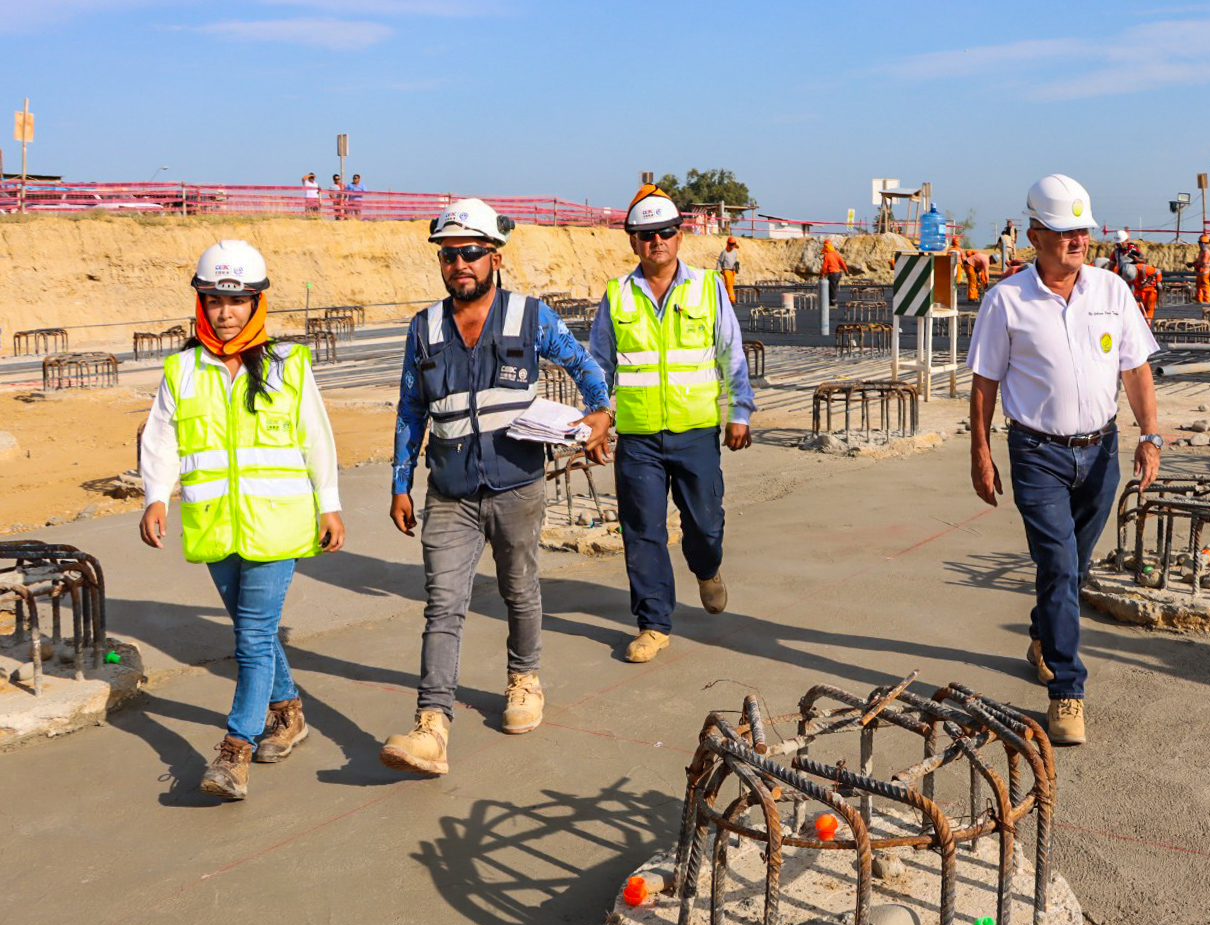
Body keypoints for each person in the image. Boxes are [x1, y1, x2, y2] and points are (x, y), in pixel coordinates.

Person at [382, 198, 613, 776]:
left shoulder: (529, 317)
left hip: (516, 485)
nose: (459, 264)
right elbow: (411, 410)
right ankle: (431, 725)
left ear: (494, 257)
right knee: (443, 606)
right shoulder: (424, 328)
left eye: (471, 254)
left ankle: (523, 679)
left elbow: (587, 368)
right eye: (449, 255)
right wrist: (400, 483)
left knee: (519, 588)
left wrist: (600, 415)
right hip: (450, 492)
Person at [138, 240, 345, 800]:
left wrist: (329, 503)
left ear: (258, 303)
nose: (225, 312)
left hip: (278, 524)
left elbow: (316, 437)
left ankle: (235, 749)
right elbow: (161, 436)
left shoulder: (288, 365)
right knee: (253, 632)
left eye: (237, 301)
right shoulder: (183, 368)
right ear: (200, 301)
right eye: (213, 300)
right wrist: (156, 495)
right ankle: (288, 711)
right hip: (214, 524)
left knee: (252, 636)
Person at [967, 174, 1162, 747]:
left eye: (1082, 231)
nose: (1076, 241)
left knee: (1072, 569)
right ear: (1034, 235)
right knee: (1057, 565)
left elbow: (1135, 369)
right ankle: (1067, 690)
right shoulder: (1006, 300)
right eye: (1062, 232)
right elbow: (984, 383)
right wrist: (979, 451)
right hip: (1037, 455)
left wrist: (1149, 436)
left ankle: (1043, 634)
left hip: (1099, 453)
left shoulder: (1112, 291)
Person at [587, 185, 757, 664]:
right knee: (642, 530)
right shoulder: (617, 295)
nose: (655, 241)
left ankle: (707, 569)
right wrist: (598, 416)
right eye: (645, 234)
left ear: (679, 237)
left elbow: (732, 353)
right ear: (632, 241)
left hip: (696, 431)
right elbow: (599, 363)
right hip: (639, 436)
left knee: (705, 525)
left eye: (664, 232)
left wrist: (739, 411)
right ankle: (653, 624)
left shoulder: (706, 287)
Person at [1123, 255, 1162, 321]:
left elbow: (1158, 271)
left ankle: (1147, 323)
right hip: (1139, 291)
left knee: (1149, 307)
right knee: (1136, 308)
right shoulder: (1127, 273)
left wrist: (1158, 282)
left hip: (1150, 290)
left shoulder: (1145, 269)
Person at [821, 238, 848, 307]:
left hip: (832, 274)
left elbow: (825, 267)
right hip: (838, 274)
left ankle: (833, 302)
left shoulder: (827, 256)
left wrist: (822, 275)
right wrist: (846, 270)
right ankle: (832, 301)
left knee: (831, 288)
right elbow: (842, 262)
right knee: (834, 287)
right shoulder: (837, 254)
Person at [717, 237, 741, 304]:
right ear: (728, 244)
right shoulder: (724, 253)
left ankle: (727, 299)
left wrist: (737, 265)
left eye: (733, 244)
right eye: (731, 244)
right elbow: (719, 262)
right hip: (726, 270)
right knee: (729, 285)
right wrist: (718, 270)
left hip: (732, 270)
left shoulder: (735, 252)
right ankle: (732, 299)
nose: (732, 245)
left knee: (731, 285)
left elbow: (735, 260)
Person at [1193, 236, 1210, 304]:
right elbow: (1199, 260)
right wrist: (1193, 264)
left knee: (1204, 286)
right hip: (1200, 272)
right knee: (1199, 286)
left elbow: (1203, 262)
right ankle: (1199, 299)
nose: (1199, 244)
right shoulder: (1201, 251)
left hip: (1204, 272)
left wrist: (1196, 264)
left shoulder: (1206, 252)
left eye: (1200, 243)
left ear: (1204, 243)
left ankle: (1206, 299)